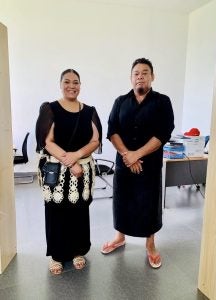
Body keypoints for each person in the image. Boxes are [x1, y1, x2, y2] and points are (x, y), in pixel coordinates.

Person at [101, 58, 174, 268]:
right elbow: (112, 130)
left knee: (148, 202)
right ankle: (119, 237)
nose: (140, 76)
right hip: (124, 163)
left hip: (149, 165)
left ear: (152, 76)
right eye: (136, 73)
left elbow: (163, 132)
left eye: (144, 72)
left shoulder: (162, 101)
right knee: (122, 200)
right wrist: (127, 155)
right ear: (131, 78)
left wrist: (138, 154)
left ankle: (150, 244)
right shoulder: (120, 101)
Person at [36, 68, 102, 275]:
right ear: (60, 84)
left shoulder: (90, 110)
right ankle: (57, 255)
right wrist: (69, 161)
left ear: (80, 85)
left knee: (79, 211)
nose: (71, 86)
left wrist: (78, 155)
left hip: (83, 169)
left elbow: (96, 140)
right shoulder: (50, 109)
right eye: (67, 82)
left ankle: (77, 251)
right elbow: (47, 141)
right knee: (56, 212)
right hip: (57, 170)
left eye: (76, 82)